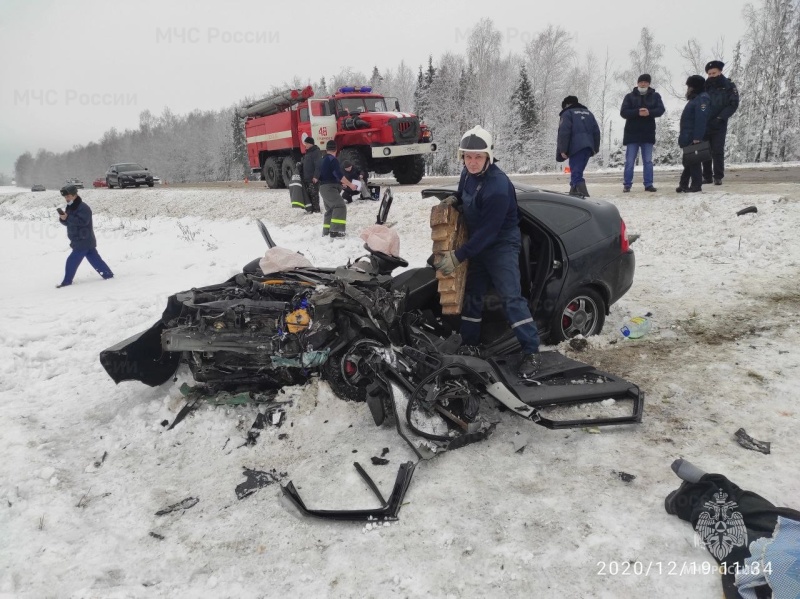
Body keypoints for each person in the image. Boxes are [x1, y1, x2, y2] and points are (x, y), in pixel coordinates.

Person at [433, 125, 541, 379]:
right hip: (478, 243)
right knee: (473, 293)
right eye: (468, 157)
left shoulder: (498, 186)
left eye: (477, 157)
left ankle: (532, 351)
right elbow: (465, 197)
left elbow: (490, 232)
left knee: (510, 296)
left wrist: (459, 256)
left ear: (488, 157)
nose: (472, 162)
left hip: (501, 244)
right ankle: (471, 343)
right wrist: (454, 201)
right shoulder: (467, 175)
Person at [56, 184, 114, 288]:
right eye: (65, 197)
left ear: (74, 195)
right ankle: (108, 275)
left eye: (68, 196)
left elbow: (83, 222)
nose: (66, 199)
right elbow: (69, 222)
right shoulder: (70, 207)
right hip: (80, 240)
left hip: (83, 239)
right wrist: (63, 219)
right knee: (95, 259)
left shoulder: (83, 207)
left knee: (72, 261)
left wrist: (67, 217)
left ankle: (67, 282)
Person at [620, 74, 666, 192]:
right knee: (630, 161)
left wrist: (649, 112)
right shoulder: (629, 97)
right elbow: (624, 112)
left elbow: (661, 110)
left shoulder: (655, 96)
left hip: (647, 133)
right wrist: (637, 112)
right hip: (632, 134)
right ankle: (627, 184)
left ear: (649, 83)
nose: (643, 84)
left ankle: (648, 184)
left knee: (648, 161)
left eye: (645, 82)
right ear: (637, 83)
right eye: (641, 82)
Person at [702, 60, 739, 185]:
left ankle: (718, 176)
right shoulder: (704, 86)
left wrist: (721, 118)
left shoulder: (728, 85)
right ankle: (706, 176)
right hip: (705, 123)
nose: (711, 75)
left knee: (717, 150)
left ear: (720, 72)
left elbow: (733, 104)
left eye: (714, 73)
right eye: (709, 73)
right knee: (705, 150)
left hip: (719, 123)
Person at [556, 96, 601, 197]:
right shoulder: (589, 113)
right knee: (577, 171)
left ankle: (584, 196)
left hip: (576, 147)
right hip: (588, 147)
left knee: (576, 173)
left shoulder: (567, 113)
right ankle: (573, 195)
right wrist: (595, 148)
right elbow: (596, 132)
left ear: (567, 105)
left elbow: (564, 132)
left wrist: (563, 149)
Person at [676, 75, 711, 193]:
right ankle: (684, 183)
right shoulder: (695, 99)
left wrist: (697, 137)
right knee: (689, 161)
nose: (688, 89)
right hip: (687, 135)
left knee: (694, 161)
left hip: (693, 136)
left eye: (689, 86)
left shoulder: (702, 99)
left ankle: (696, 185)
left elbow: (701, 119)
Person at [316, 140, 356, 238]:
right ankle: (336, 231)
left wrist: (339, 184)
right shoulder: (332, 160)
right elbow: (339, 175)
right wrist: (351, 185)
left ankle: (326, 231)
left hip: (323, 188)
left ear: (326, 149)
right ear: (336, 149)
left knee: (330, 209)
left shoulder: (321, 160)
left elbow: (326, 175)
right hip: (329, 188)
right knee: (340, 206)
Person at [301, 137, 322, 213]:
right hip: (307, 178)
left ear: (310, 144)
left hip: (313, 178)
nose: (305, 145)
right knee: (309, 194)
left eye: (306, 143)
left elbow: (318, 165)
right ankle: (311, 209)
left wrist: (316, 176)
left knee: (314, 194)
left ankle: (316, 210)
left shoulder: (316, 152)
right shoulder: (308, 152)